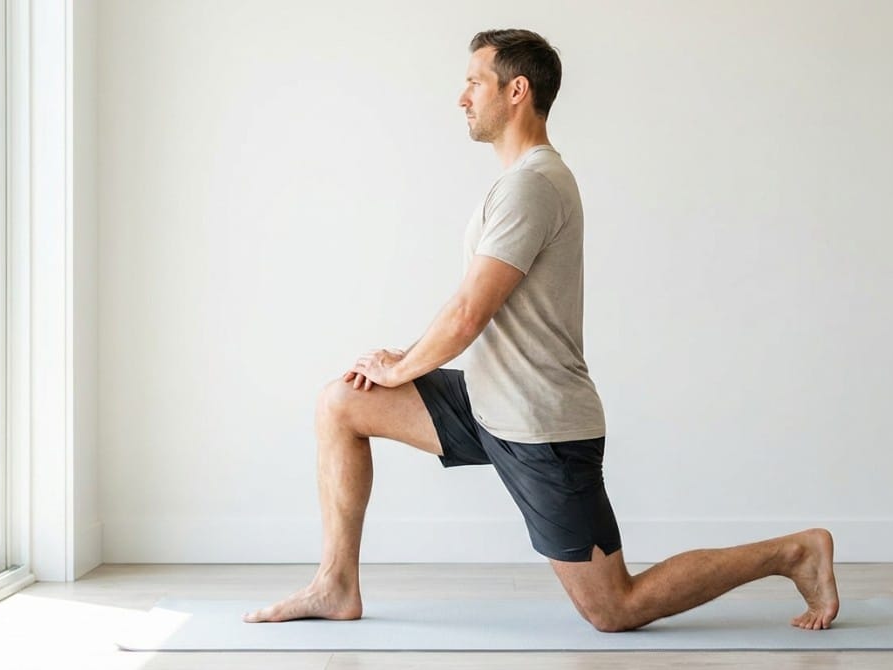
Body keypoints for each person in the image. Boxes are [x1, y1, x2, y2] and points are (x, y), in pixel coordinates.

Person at [244, 28, 840, 633]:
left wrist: (401, 368)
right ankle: (336, 584)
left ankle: (792, 553)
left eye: (475, 82)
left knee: (614, 608)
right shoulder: (517, 182)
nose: (462, 97)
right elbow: (468, 306)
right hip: (489, 401)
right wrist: (407, 358)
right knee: (342, 403)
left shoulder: (533, 184)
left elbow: (469, 313)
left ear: (517, 90)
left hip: (541, 424)